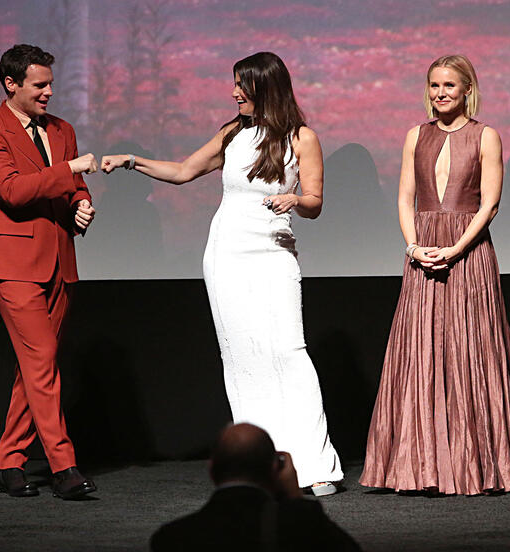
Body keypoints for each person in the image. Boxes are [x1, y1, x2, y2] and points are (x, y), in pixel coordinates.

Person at [102, 52, 342, 494]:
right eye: (234, 84)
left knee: (287, 351)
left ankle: (314, 465)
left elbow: (315, 202)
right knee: (242, 357)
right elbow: (182, 172)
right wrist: (133, 161)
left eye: (242, 85)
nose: (234, 93)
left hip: (272, 252)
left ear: (266, 88)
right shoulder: (232, 134)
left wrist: (295, 201)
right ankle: (260, 466)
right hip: (226, 253)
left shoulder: (302, 138)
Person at [360, 55, 510, 496]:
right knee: (421, 354)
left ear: (467, 89)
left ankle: (476, 465)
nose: (440, 93)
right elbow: (405, 198)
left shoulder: (486, 136)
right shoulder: (415, 136)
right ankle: (418, 466)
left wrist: (456, 248)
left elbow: (490, 204)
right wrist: (413, 247)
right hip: (422, 250)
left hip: (467, 252)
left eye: (448, 85)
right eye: (433, 85)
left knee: (472, 353)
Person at [0, 44, 98, 499]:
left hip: (60, 262)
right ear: (12, 84)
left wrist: (82, 203)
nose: (48, 92)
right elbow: (13, 191)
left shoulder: (63, 129)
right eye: (39, 85)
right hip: (14, 268)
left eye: (49, 84)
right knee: (41, 364)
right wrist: (69, 172)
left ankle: (9, 464)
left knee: (35, 369)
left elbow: (74, 185)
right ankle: (64, 467)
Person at [150, 423, 360, 551]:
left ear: (211, 470)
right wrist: (295, 499)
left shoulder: (171, 537)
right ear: (275, 469)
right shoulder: (301, 523)